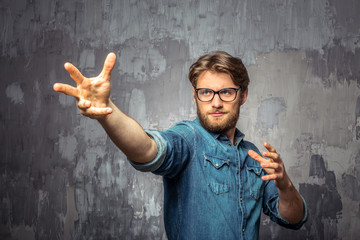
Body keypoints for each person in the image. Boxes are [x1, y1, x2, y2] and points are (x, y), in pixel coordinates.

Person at [54, 51, 307, 239]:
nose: (215, 103)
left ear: (243, 95)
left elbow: (293, 219)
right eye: (206, 92)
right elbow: (146, 149)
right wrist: (107, 113)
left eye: (226, 92)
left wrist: (284, 185)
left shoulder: (255, 157)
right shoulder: (188, 139)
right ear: (195, 95)